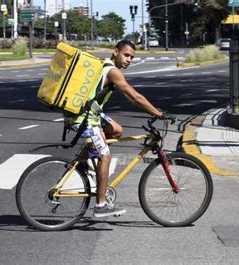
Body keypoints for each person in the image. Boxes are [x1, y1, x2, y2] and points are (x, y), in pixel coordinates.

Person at [64, 40, 165, 218]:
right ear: (115, 52)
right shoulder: (112, 71)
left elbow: (128, 96)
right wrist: (157, 113)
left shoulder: (105, 66)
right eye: (126, 55)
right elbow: (133, 96)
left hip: (90, 114)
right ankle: (101, 205)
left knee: (117, 131)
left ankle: (84, 159)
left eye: (132, 57)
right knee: (105, 156)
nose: (129, 60)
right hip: (84, 119)